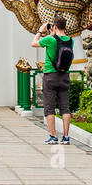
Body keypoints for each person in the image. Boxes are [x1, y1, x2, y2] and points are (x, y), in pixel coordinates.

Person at [32, 15, 73, 144]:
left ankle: (53, 136)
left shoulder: (50, 39)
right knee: (65, 108)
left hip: (50, 76)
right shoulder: (70, 40)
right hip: (64, 75)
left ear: (54, 26)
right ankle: (66, 137)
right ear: (65, 26)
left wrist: (40, 31)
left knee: (49, 108)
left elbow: (33, 43)